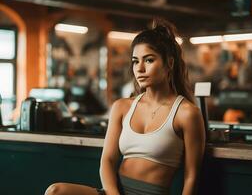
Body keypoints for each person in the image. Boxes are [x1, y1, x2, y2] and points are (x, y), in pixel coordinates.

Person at [45, 18, 206, 195]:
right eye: (136, 61)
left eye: (149, 60)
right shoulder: (122, 107)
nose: (140, 69)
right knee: (55, 191)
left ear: (169, 63)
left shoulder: (187, 113)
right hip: (115, 192)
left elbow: (191, 176)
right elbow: (107, 160)